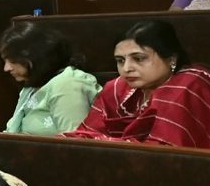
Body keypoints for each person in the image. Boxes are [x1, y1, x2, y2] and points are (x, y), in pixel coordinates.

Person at [64, 17, 210, 147]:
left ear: (171, 59)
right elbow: (83, 138)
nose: (126, 68)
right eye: (120, 60)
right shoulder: (116, 89)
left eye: (139, 59)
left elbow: (166, 153)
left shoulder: (190, 85)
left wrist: (104, 142)